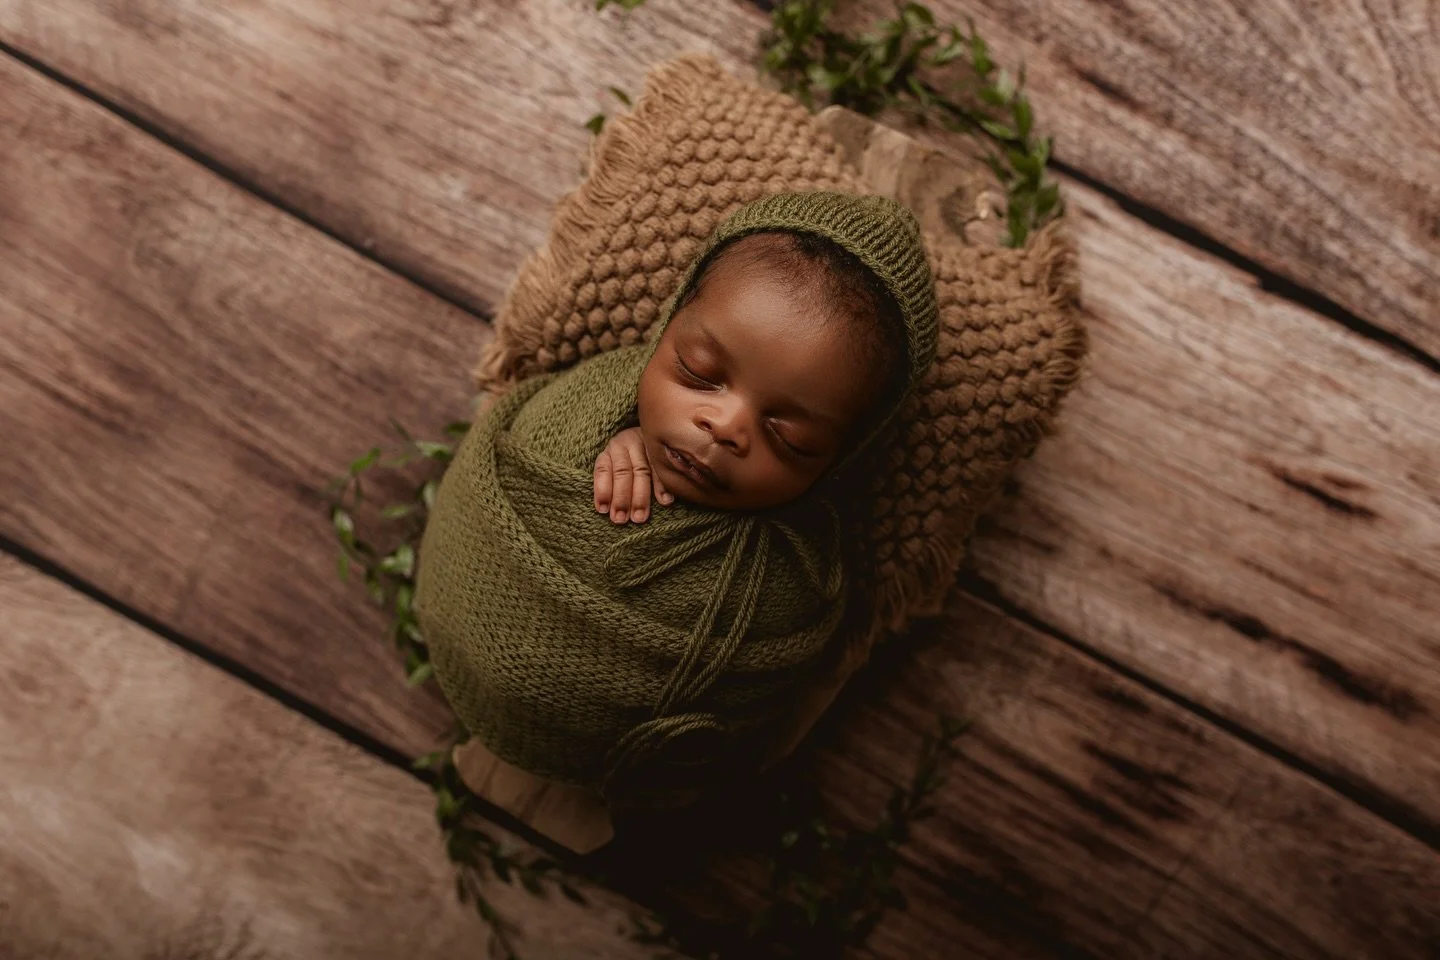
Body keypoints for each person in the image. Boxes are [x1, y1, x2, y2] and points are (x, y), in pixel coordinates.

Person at [415, 191, 938, 810]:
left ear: (843, 457)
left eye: (789, 437)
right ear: (667, 325)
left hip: (622, 772)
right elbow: (524, 441)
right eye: (698, 373)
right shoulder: (588, 405)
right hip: (452, 609)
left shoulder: (798, 579)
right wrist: (616, 429)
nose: (724, 426)